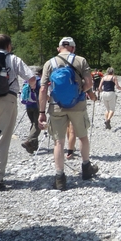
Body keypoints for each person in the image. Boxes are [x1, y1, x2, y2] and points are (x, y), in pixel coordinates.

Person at [38, 37, 99, 191]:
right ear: (73, 48)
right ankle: (86, 168)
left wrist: (41, 112)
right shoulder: (80, 60)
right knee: (83, 136)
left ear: (59, 48)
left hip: (56, 106)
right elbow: (89, 84)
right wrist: (79, 92)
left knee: (58, 142)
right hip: (78, 105)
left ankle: (60, 178)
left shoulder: (49, 63)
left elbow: (43, 89)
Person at [0, 34, 36, 192]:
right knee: (2, 139)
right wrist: (33, 90)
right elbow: (31, 78)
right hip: (7, 100)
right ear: (9, 46)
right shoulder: (13, 59)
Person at [21, 67, 42, 154]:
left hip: (27, 105)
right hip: (36, 105)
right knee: (37, 125)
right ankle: (29, 141)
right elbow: (42, 92)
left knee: (33, 123)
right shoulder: (40, 80)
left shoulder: (28, 80)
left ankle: (33, 146)